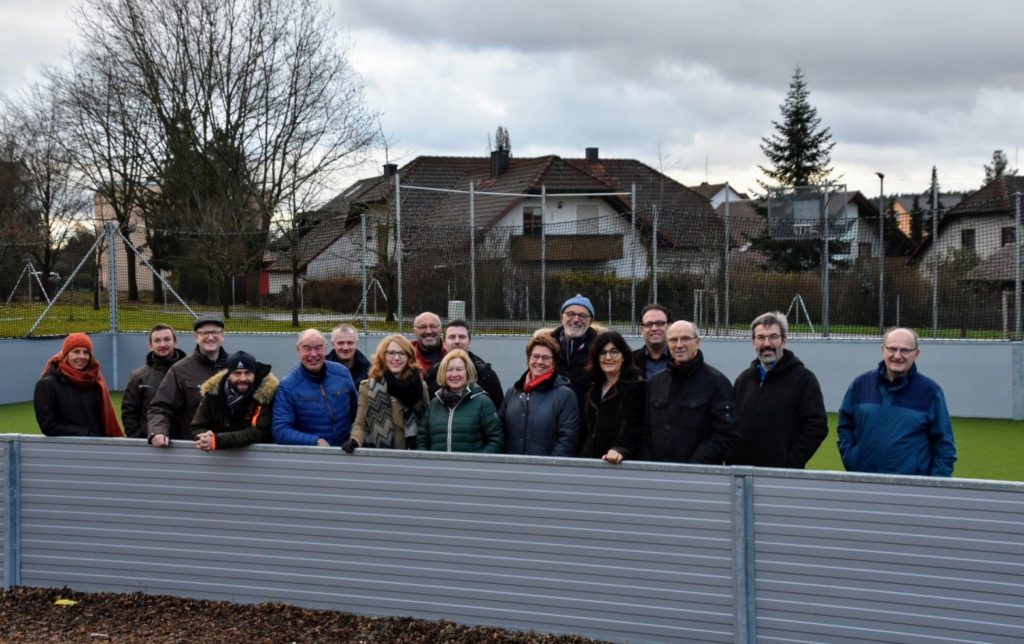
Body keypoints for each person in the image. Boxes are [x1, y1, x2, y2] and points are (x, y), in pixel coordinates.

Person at [838, 327, 957, 476]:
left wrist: (935, 486)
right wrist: (851, 457)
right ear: (883, 350)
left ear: (916, 353)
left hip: (910, 489)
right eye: (892, 349)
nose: (897, 355)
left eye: (905, 350)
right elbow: (845, 425)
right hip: (863, 481)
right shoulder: (861, 384)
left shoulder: (930, 392)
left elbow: (944, 444)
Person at [730, 312, 828, 468]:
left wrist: (790, 463)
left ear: (784, 341)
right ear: (753, 342)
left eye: (773, 337)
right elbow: (731, 424)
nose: (767, 344)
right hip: (743, 475)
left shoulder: (804, 379)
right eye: (761, 338)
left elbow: (817, 427)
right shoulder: (743, 380)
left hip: (782, 478)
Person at [638, 320, 739, 464]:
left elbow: (726, 435)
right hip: (658, 474)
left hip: (698, 478)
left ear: (698, 342)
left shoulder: (717, 383)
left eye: (685, 338)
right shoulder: (656, 383)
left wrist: (694, 466)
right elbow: (645, 429)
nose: (679, 345)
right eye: (673, 340)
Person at [147, 315, 229, 447]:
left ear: (223, 335)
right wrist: (158, 431)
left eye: (215, 332)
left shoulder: (237, 367)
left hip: (231, 449)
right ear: (196, 336)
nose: (210, 337)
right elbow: (160, 407)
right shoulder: (179, 370)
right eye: (204, 333)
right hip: (194, 449)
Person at [342, 334, 428, 452]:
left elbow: (427, 422)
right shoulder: (368, 387)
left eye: (402, 353)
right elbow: (361, 423)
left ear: (409, 357)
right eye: (391, 353)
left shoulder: (420, 387)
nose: (396, 358)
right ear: (383, 356)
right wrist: (354, 440)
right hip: (382, 455)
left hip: (413, 454)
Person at [273, 328, 358, 447]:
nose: (313, 354)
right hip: (313, 458)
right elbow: (280, 431)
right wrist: (315, 441)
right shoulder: (288, 386)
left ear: (326, 348)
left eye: (318, 347)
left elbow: (357, 413)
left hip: (346, 454)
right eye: (307, 348)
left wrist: (355, 438)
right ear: (298, 350)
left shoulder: (342, 373)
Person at [499, 333, 579, 457]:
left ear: (554, 362)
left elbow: (567, 438)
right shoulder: (512, 393)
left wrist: (550, 468)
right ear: (529, 359)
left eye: (546, 357)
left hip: (546, 471)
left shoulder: (565, 395)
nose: (540, 362)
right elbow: (499, 431)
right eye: (535, 356)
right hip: (512, 469)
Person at [34, 332, 124, 437]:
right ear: (66, 355)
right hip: (69, 449)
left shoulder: (95, 381)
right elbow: (48, 425)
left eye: (86, 352)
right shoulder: (47, 385)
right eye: (76, 352)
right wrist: (87, 434)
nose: (82, 356)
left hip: (98, 447)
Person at [190, 351, 279, 451]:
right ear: (228, 374)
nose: (243, 378)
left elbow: (259, 432)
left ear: (255, 373)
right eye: (237, 373)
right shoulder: (213, 393)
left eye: (248, 373)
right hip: (219, 461)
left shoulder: (266, 394)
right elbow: (196, 426)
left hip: (259, 460)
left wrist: (217, 441)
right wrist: (205, 438)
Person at [418, 349, 504, 453]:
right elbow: (422, 439)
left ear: (467, 372)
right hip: (438, 468)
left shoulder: (483, 402)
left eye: (459, 369)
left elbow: (496, 440)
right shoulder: (434, 404)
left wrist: (477, 464)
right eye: (449, 370)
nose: (454, 374)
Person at [580, 331, 644, 463]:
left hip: (619, 464)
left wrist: (620, 449)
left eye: (614, 352)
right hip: (591, 462)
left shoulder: (637, 387)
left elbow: (633, 426)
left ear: (624, 356)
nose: (608, 357)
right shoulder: (593, 390)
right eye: (602, 353)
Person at [121, 324, 186, 439]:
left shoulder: (189, 372)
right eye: (157, 340)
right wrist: (141, 440)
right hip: (152, 445)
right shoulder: (138, 377)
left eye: (167, 339)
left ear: (176, 342)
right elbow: (129, 414)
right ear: (150, 345)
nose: (162, 344)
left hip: (187, 445)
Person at [424, 319, 504, 408]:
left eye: (462, 337)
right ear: (444, 343)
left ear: (469, 342)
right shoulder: (432, 376)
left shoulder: (486, 375)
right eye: (452, 337)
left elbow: (498, 411)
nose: (457, 341)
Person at [551, 294, 599, 411]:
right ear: (562, 318)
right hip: (553, 418)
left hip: (586, 421)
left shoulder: (600, 349)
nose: (576, 319)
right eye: (570, 314)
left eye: (582, 315)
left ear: (590, 321)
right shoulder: (546, 346)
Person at [632, 304, 671, 380]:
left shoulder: (681, 360)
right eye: (648, 324)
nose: (654, 328)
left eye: (659, 323)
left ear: (669, 327)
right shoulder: (629, 361)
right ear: (642, 330)